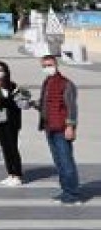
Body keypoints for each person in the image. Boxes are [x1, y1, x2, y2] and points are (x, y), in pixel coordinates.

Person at [35, 54, 83, 205]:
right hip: (50, 127)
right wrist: (31, 103)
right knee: (59, 163)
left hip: (62, 129)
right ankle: (65, 191)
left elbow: (72, 107)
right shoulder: (47, 82)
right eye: (44, 66)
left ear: (56, 65)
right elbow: (45, 104)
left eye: (50, 65)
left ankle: (73, 194)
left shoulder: (66, 84)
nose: (47, 68)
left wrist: (70, 126)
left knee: (66, 162)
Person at [0, 59, 23, 186]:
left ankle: (17, 175)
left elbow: (16, 103)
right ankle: (10, 173)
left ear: (6, 72)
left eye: (1, 70)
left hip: (10, 121)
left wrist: (3, 101)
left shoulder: (12, 85)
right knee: (4, 148)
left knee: (13, 147)